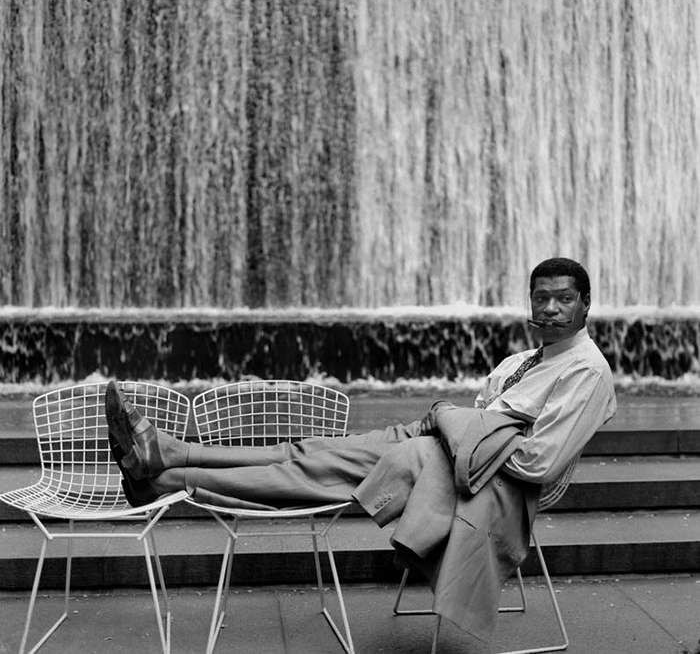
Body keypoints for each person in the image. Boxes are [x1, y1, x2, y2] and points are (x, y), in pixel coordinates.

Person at [106, 256, 616, 646]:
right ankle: (172, 453)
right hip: (443, 443)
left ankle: (169, 481)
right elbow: (482, 414)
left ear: (585, 304)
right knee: (310, 449)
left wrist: (454, 425)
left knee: (312, 472)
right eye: (541, 297)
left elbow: (538, 463)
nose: (549, 308)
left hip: (481, 478)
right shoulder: (523, 360)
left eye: (563, 299)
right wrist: (451, 423)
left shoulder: (585, 372)